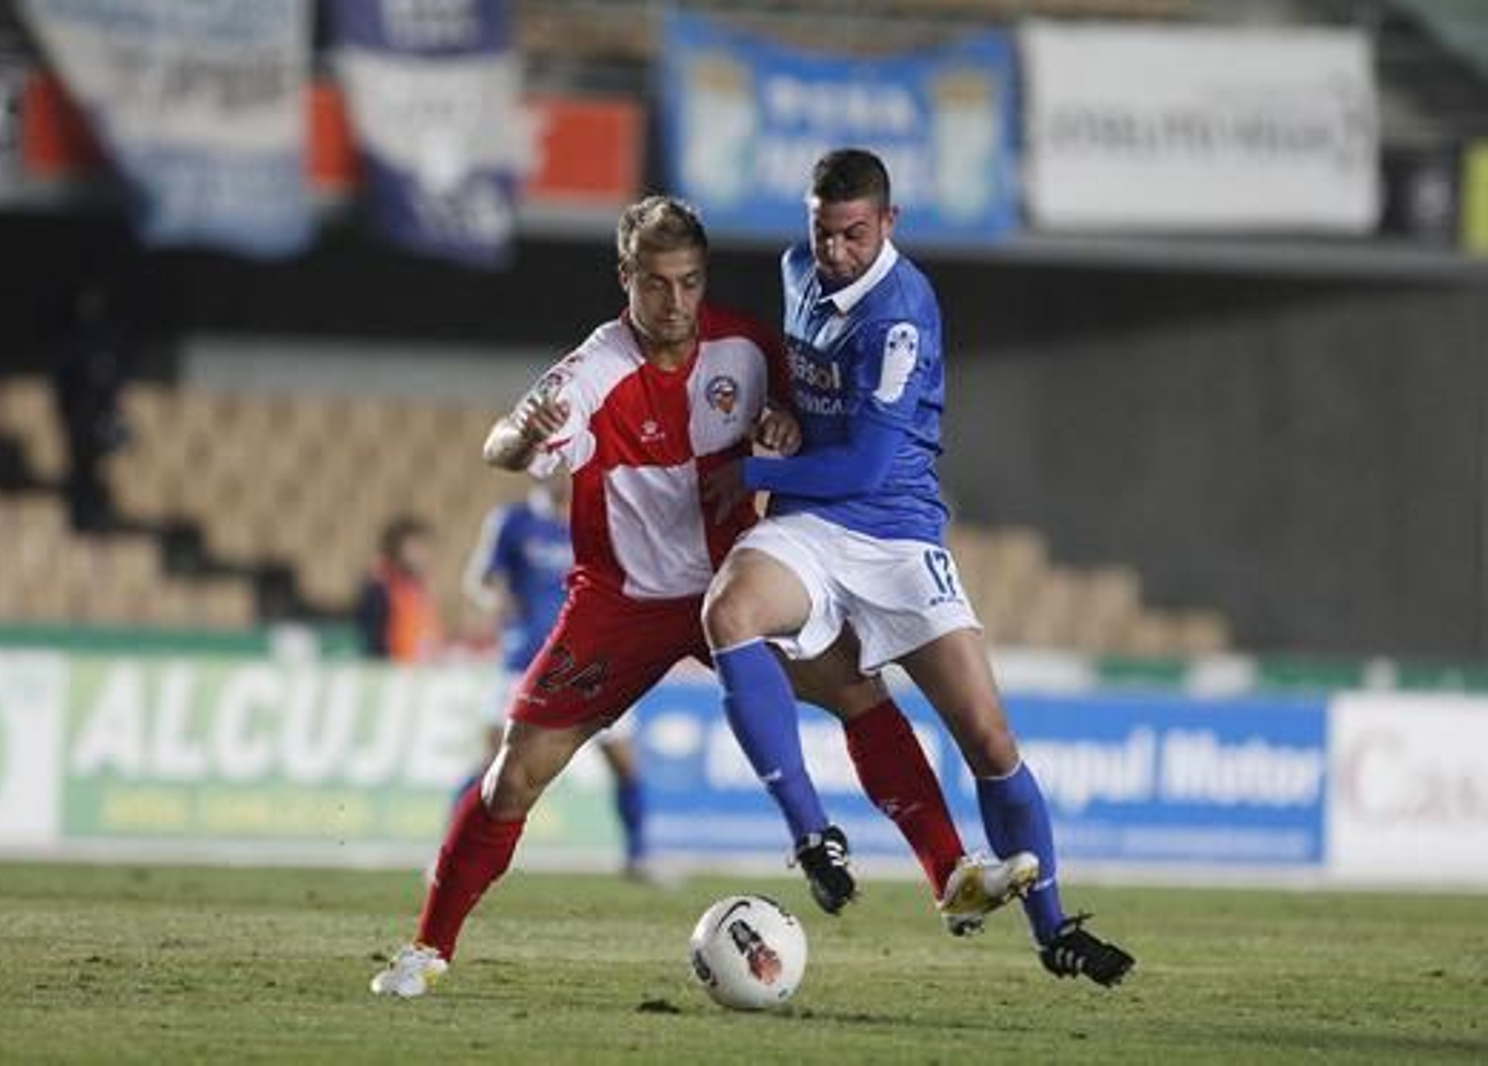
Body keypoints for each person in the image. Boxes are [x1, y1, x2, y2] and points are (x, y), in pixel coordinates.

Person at [370, 195, 1025, 999]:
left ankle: (950, 871)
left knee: (860, 691)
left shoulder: (746, 346)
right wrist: (524, 436)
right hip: (624, 603)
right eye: (655, 284)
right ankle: (428, 950)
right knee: (516, 774)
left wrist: (783, 424)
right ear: (625, 278)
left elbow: (806, 417)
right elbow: (505, 443)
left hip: (737, 585)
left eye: (688, 282)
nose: (674, 302)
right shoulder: (596, 368)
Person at [701, 148, 1136, 987]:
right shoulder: (798, 271)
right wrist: (780, 419)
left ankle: (1054, 931)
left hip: (895, 533)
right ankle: (810, 832)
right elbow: (806, 394)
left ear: (888, 222)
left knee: (989, 737)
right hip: (808, 527)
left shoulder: (901, 312)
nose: (835, 252)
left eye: (854, 235)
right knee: (731, 611)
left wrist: (751, 469)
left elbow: (865, 469)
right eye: (823, 233)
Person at [460, 473, 657, 882]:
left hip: (590, 665)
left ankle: (638, 856)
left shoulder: (600, 521)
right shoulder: (512, 521)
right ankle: (451, 854)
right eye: (555, 466)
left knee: (624, 764)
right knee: (493, 765)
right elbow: (480, 579)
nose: (564, 476)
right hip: (523, 664)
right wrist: (496, 599)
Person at [51, 282, 130, 532]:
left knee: (105, 462)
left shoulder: (111, 337)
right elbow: (63, 379)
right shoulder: (73, 341)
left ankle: (100, 511)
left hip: (102, 414)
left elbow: (117, 377)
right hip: (81, 417)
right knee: (82, 466)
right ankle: (83, 515)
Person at [356, 515, 446, 663]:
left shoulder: (417, 587)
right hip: (392, 671)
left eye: (424, 547)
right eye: (416, 547)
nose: (422, 554)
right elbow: (373, 638)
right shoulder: (379, 586)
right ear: (396, 548)